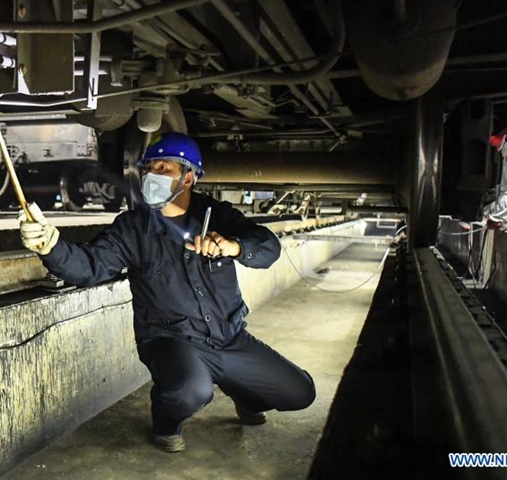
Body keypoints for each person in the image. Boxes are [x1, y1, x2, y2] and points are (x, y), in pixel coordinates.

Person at [17, 132, 316, 453]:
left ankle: (246, 395)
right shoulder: (132, 228)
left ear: (188, 178)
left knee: (300, 393)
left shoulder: (218, 216)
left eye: (163, 168)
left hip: (229, 338)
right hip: (170, 341)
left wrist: (234, 247)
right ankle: (166, 421)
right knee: (191, 390)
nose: (152, 175)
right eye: (149, 168)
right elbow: (90, 266)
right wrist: (50, 246)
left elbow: (268, 247)